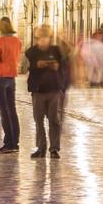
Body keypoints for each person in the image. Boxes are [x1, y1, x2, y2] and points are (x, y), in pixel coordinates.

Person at [24, 26, 66, 159]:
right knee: (38, 120)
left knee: (54, 119)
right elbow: (27, 66)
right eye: (40, 38)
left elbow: (64, 65)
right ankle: (41, 148)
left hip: (53, 89)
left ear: (49, 38)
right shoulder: (31, 52)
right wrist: (36, 65)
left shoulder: (56, 50)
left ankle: (54, 148)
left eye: (45, 37)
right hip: (38, 90)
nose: (43, 41)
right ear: (37, 39)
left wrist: (57, 66)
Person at [0, 18, 23, 154]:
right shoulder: (17, 41)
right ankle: (15, 142)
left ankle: (9, 143)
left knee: (4, 110)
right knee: (12, 109)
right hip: (11, 76)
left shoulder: (0, 41)